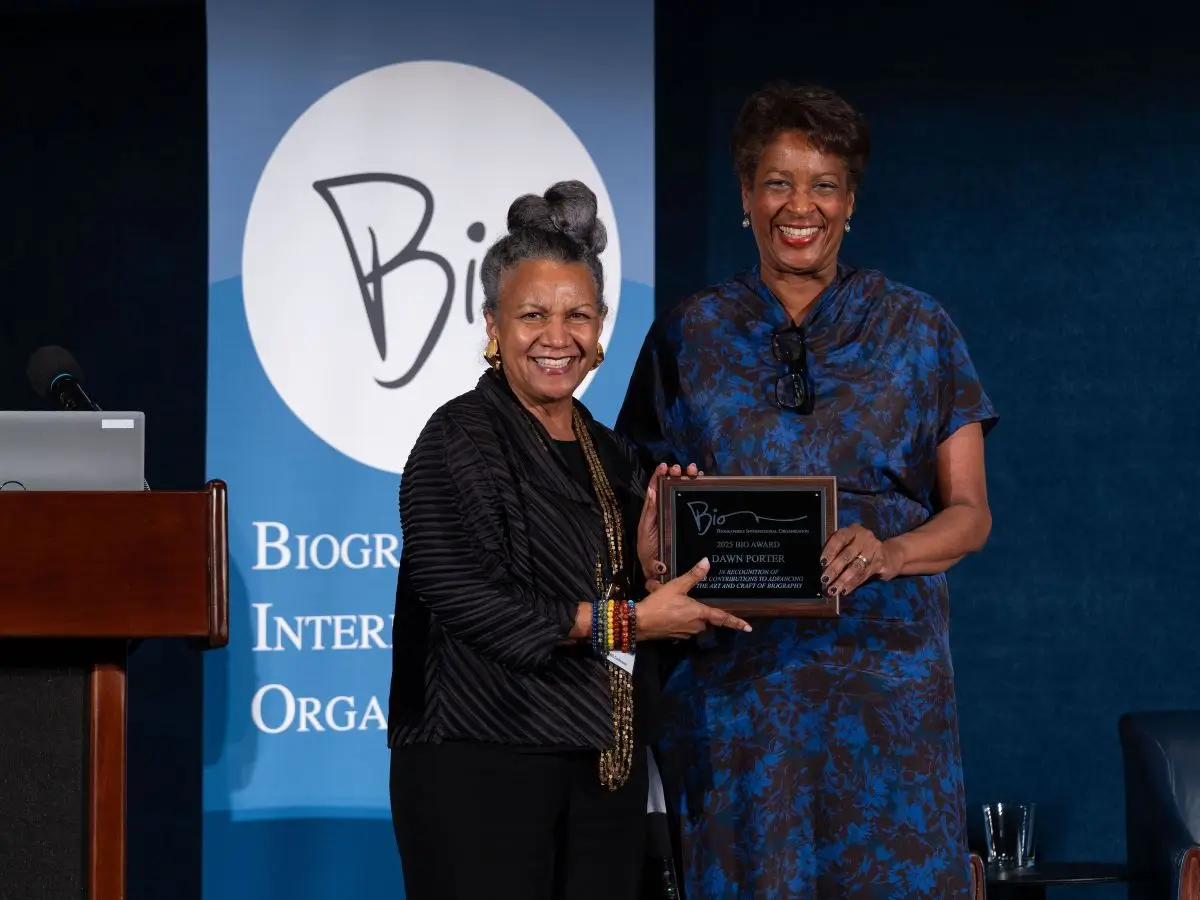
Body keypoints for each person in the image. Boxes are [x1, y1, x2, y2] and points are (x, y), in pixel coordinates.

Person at [616, 82, 998, 898]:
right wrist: (649, 559)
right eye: (779, 182)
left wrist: (892, 551)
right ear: (747, 196)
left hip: (885, 686)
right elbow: (637, 500)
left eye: (824, 185)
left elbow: (970, 516)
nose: (801, 206)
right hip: (736, 692)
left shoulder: (921, 329)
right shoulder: (689, 333)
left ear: (851, 201)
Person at [387, 179, 752, 900]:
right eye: (532, 315)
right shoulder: (456, 437)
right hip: (479, 762)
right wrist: (632, 618)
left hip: (600, 768)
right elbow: (464, 596)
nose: (557, 337)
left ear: (602, 325)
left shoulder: (615, 456)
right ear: (492, 325)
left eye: (577, 315)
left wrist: (653, 570)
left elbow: (624, 591)